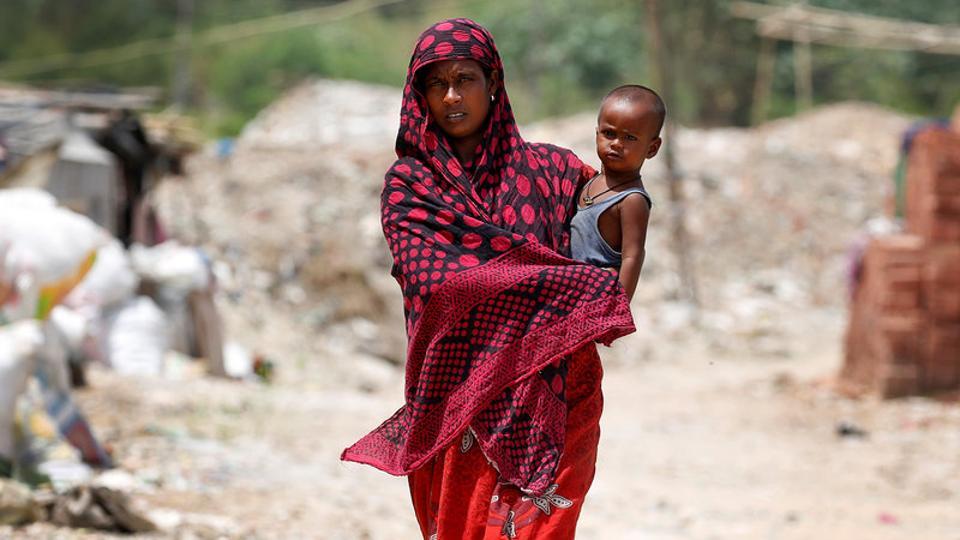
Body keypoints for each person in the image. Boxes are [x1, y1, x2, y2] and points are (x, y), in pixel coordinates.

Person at [341, 19, 635, 539]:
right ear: (418, 96)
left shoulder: (554, 171)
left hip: (559, 394)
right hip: (460, 404)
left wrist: (629, 193)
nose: (451, 96)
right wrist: (566, 290)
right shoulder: (411, 188)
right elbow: (440, 284)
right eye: (436, 83)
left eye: (465, 79)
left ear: (493, 82)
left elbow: (607, 239)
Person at [570, 85, 664, 302]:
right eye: (609, 133)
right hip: (568, 290)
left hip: (592, 298)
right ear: (597, 134)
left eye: (629, 138)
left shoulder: (631, 200)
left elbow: (633, 255)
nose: (616, 144)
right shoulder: (588, 180)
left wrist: (617, 309)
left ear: (652, 148)